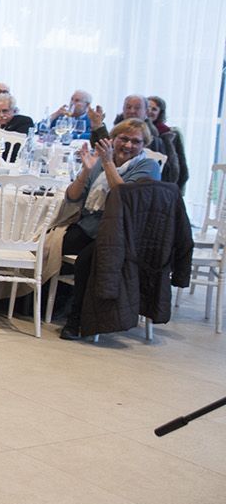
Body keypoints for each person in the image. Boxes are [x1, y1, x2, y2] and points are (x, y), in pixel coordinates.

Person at [58, 119, 163, 340]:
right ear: (113, 139)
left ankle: (76, 320)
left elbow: (124, 199)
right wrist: (86, 172)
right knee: (51, 245)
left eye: (136, 141)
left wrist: (107, 163)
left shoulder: (148, 166)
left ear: (144, 145)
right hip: (91, 226)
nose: (128, 145)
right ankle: (35, 304)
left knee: (87, 260)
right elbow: (73, 197)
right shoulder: (101, 160)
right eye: (123, 139)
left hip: (124, 234)